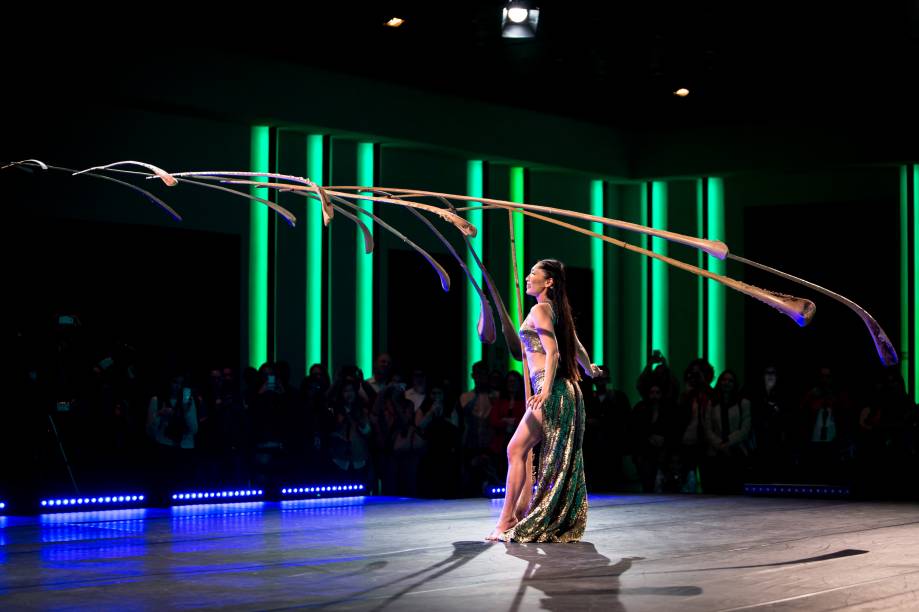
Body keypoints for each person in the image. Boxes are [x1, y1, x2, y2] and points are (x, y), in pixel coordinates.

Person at [486, 259, 601, 542]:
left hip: (553, 392)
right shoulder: (556, 311)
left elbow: (555, 352)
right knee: (519, 451)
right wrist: (590, 369)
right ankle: (511, 517)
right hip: (566, 392)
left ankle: (506, 521)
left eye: (533, 274)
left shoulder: (540, 309)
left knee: (516, 449)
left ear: (548, 282)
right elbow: (576, 347)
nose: (527, 277)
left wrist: (546, 390)